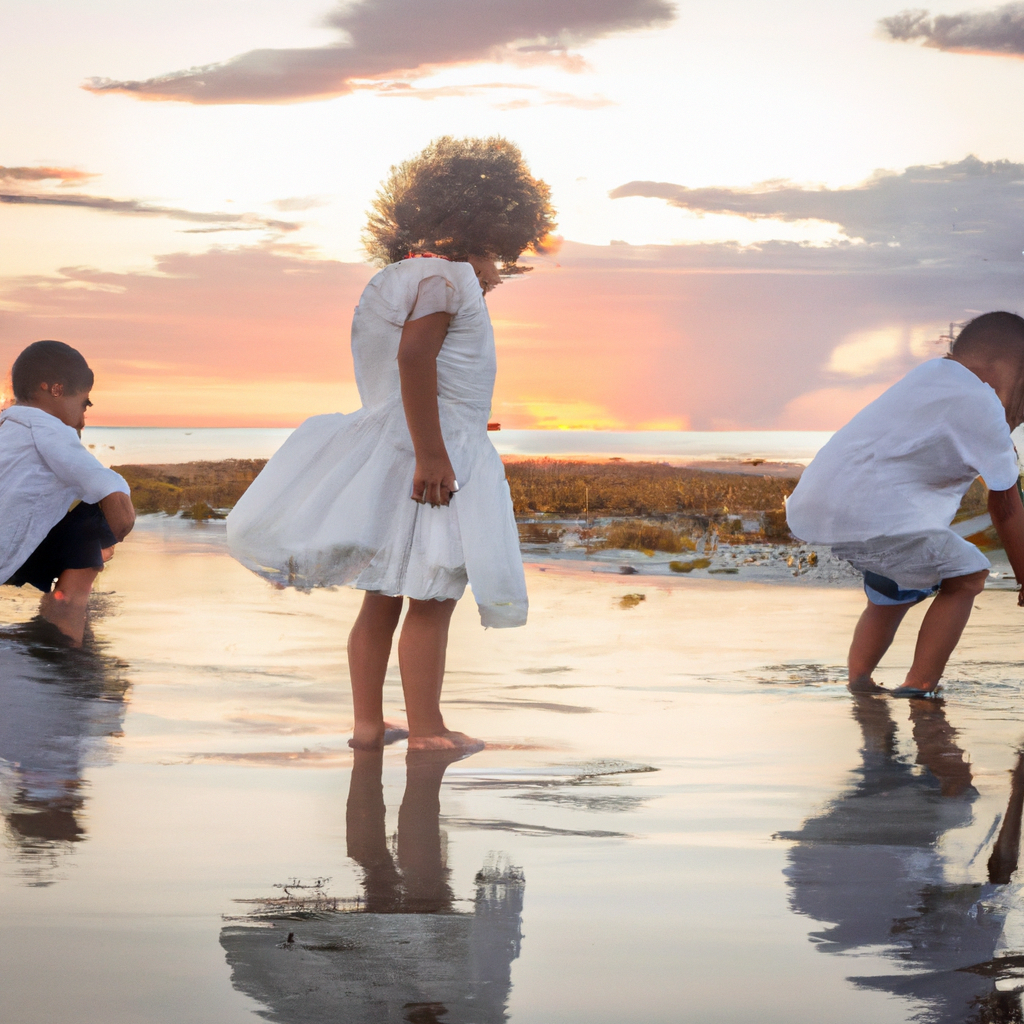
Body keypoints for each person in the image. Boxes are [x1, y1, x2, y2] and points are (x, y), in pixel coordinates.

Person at [228, 136, 556, 751]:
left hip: (406, 450)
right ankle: (429, 732)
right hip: (432, 462)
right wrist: (437, 450)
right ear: (475, 231)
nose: (499, 270)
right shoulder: (448, 278)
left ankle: (368, 725)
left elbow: (417, 374)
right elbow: (413, 360)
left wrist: (453, 424)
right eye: (497, 253)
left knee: (383, 594)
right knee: (433, 593)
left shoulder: (401, 277)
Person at [786, 311, 1024, 696]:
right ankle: (919, 687)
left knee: (892, 593)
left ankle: (860, 682)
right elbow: (1007, 508)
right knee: (968, 576)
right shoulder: (983, 403)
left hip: (820, 500)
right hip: (877, 513)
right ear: (1008, 373)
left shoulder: (927, 376)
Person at [0, 340, 135, 646]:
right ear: (56, 391)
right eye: (83, 403)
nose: (82, 420)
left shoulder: (7, 424)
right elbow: (116, 505)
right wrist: (107, 540)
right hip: (6, 556)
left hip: (13, 550)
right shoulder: (50, 430)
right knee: (97, 515)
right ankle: (66, 626)